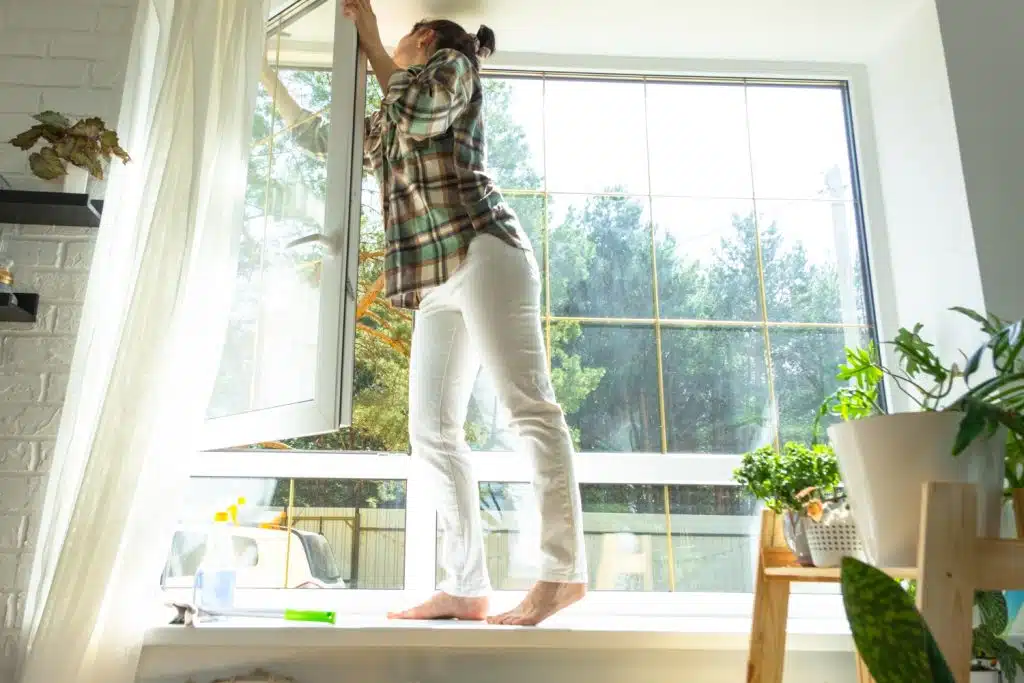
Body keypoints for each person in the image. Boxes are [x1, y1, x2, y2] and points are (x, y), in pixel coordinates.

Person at [267, 0, 589, 626]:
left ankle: (562, 574)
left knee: (530, 408)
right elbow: (321, 139)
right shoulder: (391, 116)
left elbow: (418, 109)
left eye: (400, 41)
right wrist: (262, 70)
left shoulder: (455, 63)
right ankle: (465, 586)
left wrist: (368, 37)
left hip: (483, 248)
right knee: (432, 430)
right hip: (434, 280)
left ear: (422, 37)